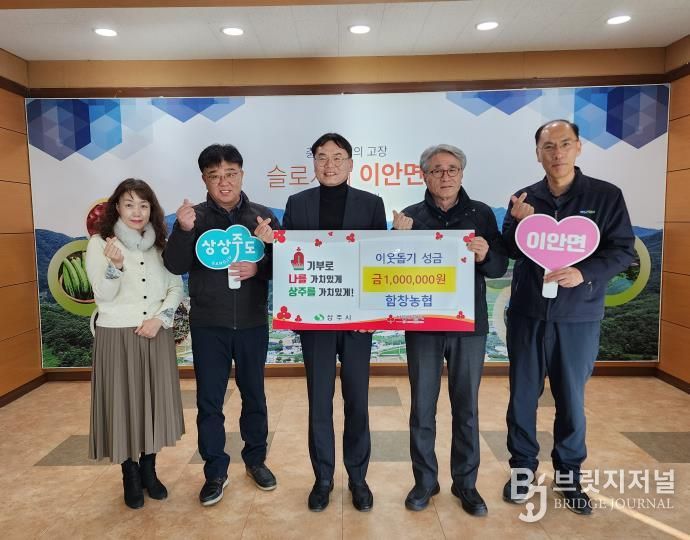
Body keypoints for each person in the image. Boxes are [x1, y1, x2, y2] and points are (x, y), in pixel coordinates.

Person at [501, 119, 635, 514]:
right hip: (527, 314)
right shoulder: (523, 197)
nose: (556, 153)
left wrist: (584, 273)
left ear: (578, 147)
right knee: (522, 397)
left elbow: (623, 250)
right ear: (537, 153)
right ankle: (522, 471)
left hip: (578, 316)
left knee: (572, 400)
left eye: (564, 144)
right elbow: (509, 250)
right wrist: (518, 222)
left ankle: (569, 476)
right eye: (548, 146)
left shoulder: (605, 196)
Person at [392, 145, 507, 515]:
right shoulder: (409, 216)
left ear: (461, 173)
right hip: (423, 324)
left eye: (452, 169)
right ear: (424, 175)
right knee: (422, 408)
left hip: (467, 325)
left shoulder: (482, 214)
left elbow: (498, 268)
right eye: (437, 170)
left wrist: (486, 254)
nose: (445, 176)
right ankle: (425, 481)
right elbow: (393, 272)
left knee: (466, 408)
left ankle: (466, 484)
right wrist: (397, 239)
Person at [164, 144, 279, 506]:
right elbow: (173, 264)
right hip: (208, 325)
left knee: (254, 395)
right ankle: (215, 470)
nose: (223, 182)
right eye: (214, 176)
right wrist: (183, 230)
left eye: (230, 173)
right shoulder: (193, 218)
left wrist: (262, 261)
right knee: (209, 401)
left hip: (252, 323)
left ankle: (256, 460)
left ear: (241, 175)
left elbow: (287, 267)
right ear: (204, 180)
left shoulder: (262, 217)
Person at [282, 133, 387, 512]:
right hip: (316, 321)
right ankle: (323, 478)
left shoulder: (371, 204)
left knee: (357, 400)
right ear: (313, 162)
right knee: (319, 401)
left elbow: (378, 262)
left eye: (338, 157)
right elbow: (288, 259)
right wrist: (272, 242)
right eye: (322, 157)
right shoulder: (297, 204)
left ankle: (358, 478)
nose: (330, 165)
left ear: (351, 163)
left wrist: (373, 315)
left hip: (358, 322)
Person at [85, 178, 185, 510]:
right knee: (123, 406)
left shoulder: (160, 245)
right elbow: (102, 296)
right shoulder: (100, 244)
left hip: (156, 334)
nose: (136, 212)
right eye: (129, 205)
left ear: (151, 209)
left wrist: (160, 319)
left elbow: (175, 287)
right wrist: (115, 267)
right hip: (117, 336)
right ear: (117, 207)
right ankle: (129, 474)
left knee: (153, 404)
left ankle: (149, 470)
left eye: (143, 205)